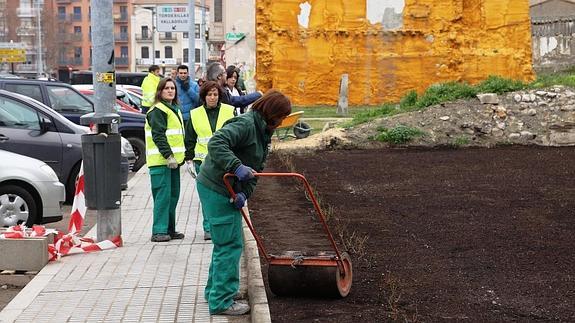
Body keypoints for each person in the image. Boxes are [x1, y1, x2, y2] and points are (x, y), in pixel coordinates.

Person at [196, 90, 292, 315]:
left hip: (225, 188)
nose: (281, 122)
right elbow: (217, 143)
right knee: (229, 244)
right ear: (272, 113)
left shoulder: (263, 131)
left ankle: (215, 291)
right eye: (281, 116)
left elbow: (255, 170)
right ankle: (221, 301)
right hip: (216, 187)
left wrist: (244, 194)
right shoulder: (247, 124)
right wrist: (235, 166)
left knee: (225, 242)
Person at [184, 81, 236, 240]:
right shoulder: (195, 114)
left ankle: (223, 225)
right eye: (209, 94)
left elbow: (236, 135)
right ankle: (208, 228)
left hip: (225, 161)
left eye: (215, 94)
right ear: (204, 96)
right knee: (207, 196)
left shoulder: (229, 111)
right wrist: (189, 160)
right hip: (203, 162)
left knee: (223, 195)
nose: (212, 97)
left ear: (219, 96)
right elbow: (190, 139)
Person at [144, 78, 186, 242]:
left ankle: (169, 229)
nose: (170, 91)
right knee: (162, 197)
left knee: (172, 196)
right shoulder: (158, 110)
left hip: (172, 163)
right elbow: (158, 136)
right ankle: (159, 231)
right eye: (167, 88)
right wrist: (168, 155)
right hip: (161, 162)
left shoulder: (173, 109)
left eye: (173, 88)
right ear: (160, 91)